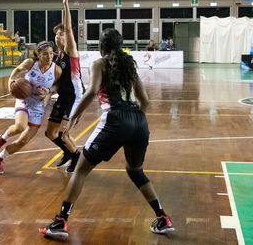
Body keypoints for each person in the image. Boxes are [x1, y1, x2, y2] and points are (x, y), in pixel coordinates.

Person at [39, 28, 174, 238]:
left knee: (81, 169)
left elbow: (91, 91)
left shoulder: (99, 63)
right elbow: (145, 101)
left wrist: (73, 117)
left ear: (101, 47)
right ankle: (163, 218)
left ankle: (61, 221)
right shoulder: (130, 66)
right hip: (139, 121)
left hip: (115, 119)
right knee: (135, 171)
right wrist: (134, 124)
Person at [0, 41, 61, 174]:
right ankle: (2, 139)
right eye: (45, 54)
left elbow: (58, 86)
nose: (49, 56)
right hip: (24, 100)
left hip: (38, 106)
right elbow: (17, 70)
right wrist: (11, 82)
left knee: (23, 141)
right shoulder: (30, 63)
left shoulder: (56, 70)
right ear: (39, 55)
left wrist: (50, 90)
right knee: (20, 126)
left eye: (51, 53)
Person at [45, 0, 84, 173]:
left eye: (61, 33)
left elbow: (69, 28)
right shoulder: (58, 56)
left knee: (63, 132)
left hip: (75, 96)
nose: (58, 36)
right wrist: (49, 90)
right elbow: (59, 82)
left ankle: (76, 156)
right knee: (50, 133)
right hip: (63, 95)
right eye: (57, 34)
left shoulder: (71, 50)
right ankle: (69, 153)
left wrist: (65, 4)